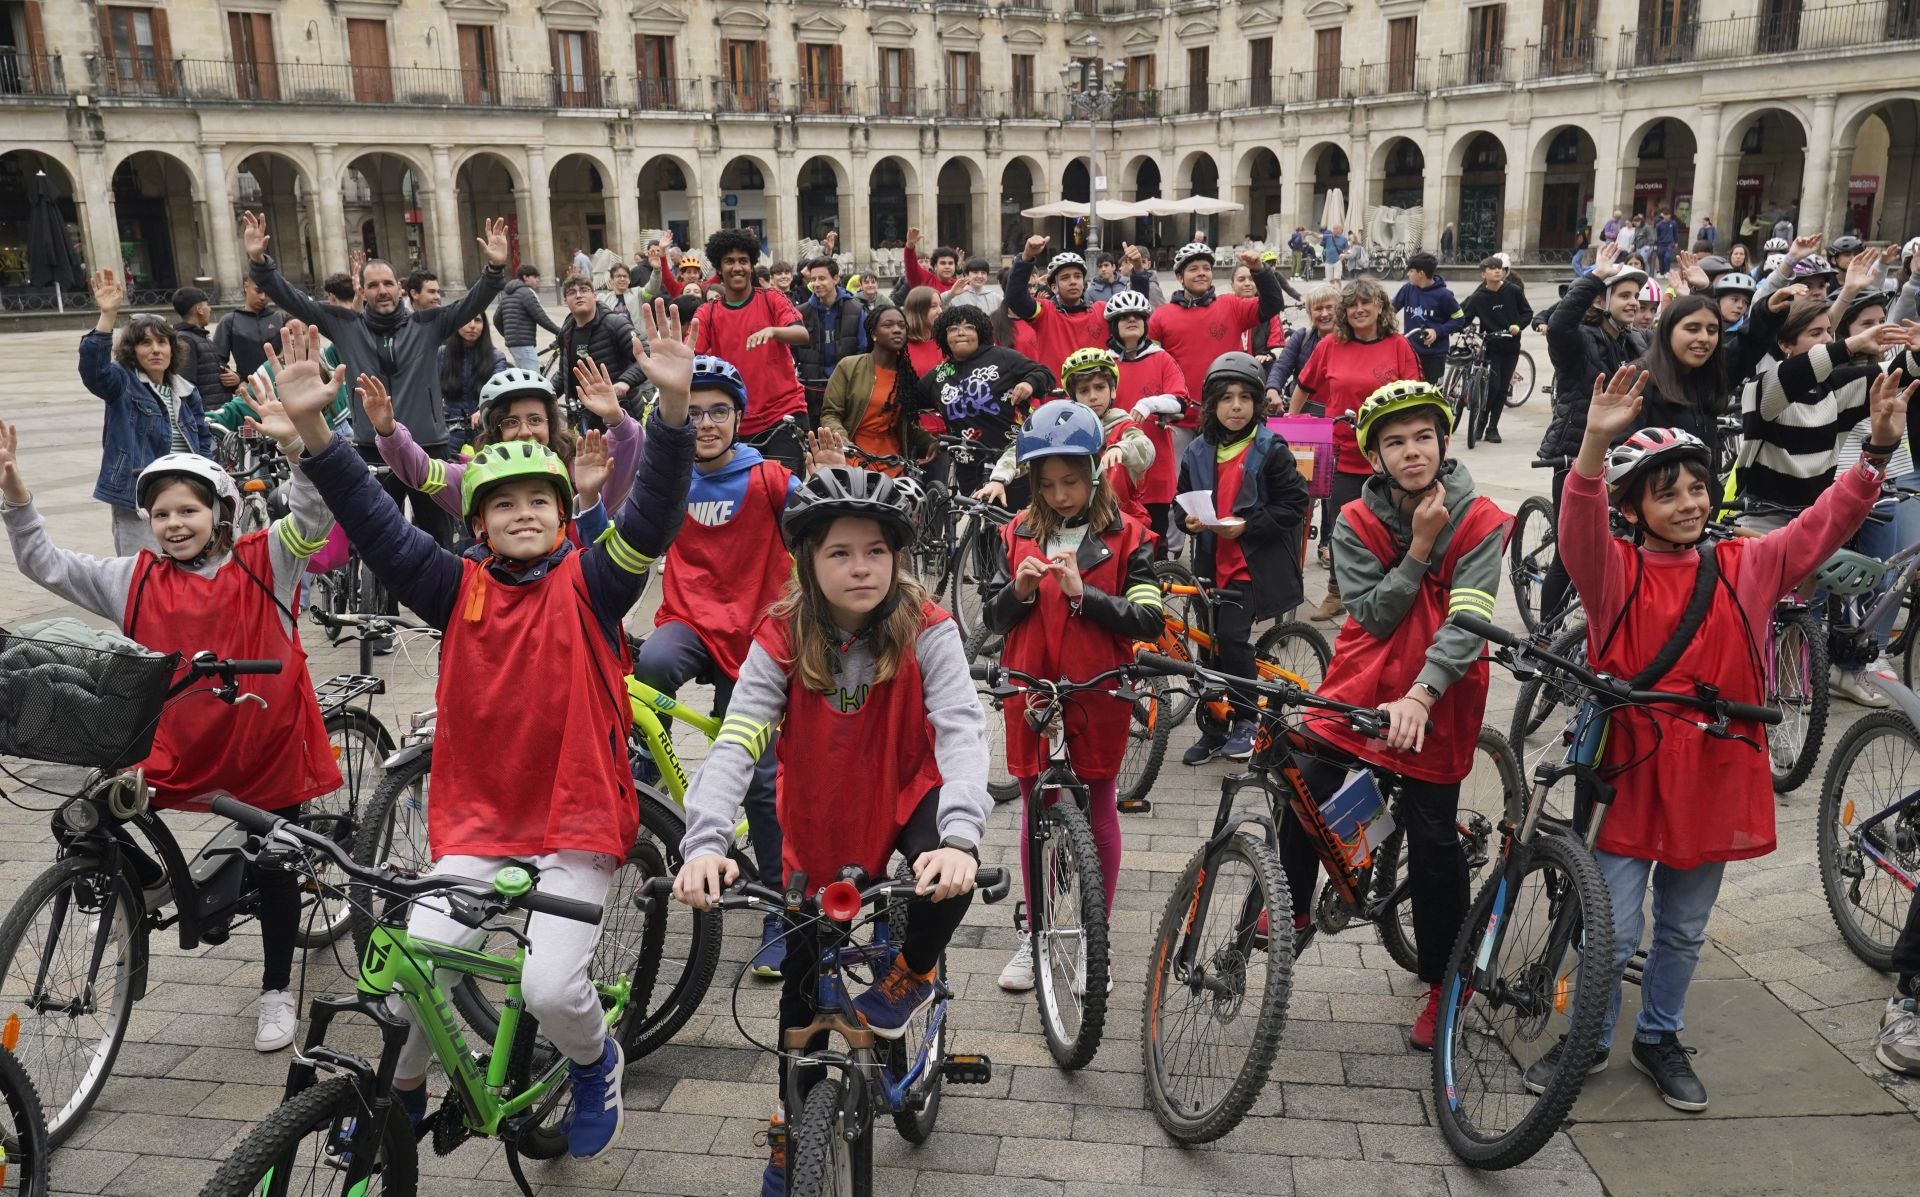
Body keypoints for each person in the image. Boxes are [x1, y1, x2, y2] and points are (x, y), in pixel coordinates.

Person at [274, 300, 696, 1160]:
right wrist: (318, 431)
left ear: (563, 513)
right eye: (504, 504)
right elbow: (376, 522)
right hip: (480, 823)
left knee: (550, 988)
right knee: (406, 974)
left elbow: (651, 515)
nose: (525, 513)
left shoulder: (592, 583)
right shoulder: (452, 587)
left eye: (541, 500)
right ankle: (401, 1095)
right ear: (477, 524)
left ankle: (595, 1061)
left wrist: (674, 412)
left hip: (576, 821)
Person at [1535, 365, 1911, 1112]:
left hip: (1715, 767)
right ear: (1632, 508)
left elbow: (1821, 526)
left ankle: (1659, 1036)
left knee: (1683, 926)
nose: (1688, 503)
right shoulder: (1614, 572)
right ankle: (1587, 1035)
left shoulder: (1748, 563)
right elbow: (1578, 529)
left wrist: (1874, 452)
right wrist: (1592, 448)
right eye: (1665, 492)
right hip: (1629, 771)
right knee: (1609, 928)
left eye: (1696, 488)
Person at [2, 349, 342, 1050]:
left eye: (188, 509)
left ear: (220, 512)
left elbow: (312, 514)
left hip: (265, 740)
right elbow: (46, 564)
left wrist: (298, 444)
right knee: (81, 817)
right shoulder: (133, 577)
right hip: (178, 744)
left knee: (276, 863)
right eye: (160, 513)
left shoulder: (267, 557)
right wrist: (16, 494)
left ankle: (276, 989)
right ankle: (153, 882)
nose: (173, 523)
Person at [673, 467, 990, 1197]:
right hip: (822, 809)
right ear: (808, 561)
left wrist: (960, 837)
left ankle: (914, 969)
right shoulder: (783, 633)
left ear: (897, 557)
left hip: (908, 790)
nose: (861, 567)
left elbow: (961, 728)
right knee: (801, 983)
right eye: (840, 552)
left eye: (875, 551)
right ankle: (796, 1122)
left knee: (947, 876)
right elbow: (738, 737)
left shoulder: (929, 627)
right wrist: (705, 842)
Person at [1288, 380, 1510, 1048]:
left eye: (1423, 437)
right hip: (1362, 678)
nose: (1412, 451)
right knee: (1303, 778)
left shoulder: (1480, 520)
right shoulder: (1355, 519)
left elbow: (1468, 620)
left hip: (1440, 691)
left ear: (1443, 442)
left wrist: (1422, 693)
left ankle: (1446, 980)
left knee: (1434, 838)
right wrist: (1418, 548)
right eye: (1394, 442)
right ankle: (1292, 907)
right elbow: (1375, 613)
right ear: (1376, 457)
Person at [983, 399, 1161, 993]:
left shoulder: (1130, 535)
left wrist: (1086, 596)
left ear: (1094, 473)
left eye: (1072, 481)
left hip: (1097, 689)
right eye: (1047, 484)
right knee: (1035, 806)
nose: (1060, 495)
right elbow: (992, 618)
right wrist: (1017, 592)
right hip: (1032, 690)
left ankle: (1092, 936)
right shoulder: (1016, 531)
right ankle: (1036, 933)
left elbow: (1149, 618)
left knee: (1100, 801)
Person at [635, 354, 795, 978]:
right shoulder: (667, 479)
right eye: (694, 410)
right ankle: (647, 762)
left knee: (760, 777)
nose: (704, 422)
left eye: (718, 411)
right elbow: (617, 533)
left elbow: (824, 533)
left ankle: (779, 905)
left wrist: (830, 483)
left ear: (738, 417)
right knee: (651, 661)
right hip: (691, 623)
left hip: (757, 638)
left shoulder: (770, 480)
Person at [243, 211, 507, 545]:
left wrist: (494, 268)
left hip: (428, 446)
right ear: (362, 291)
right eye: (373, 285)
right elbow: (295, 300)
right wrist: (260, 263)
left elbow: (472, 303)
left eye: (387, 284)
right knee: (377, 540)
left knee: (439, 539)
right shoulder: (346, 325)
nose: (381, 291)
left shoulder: (428, 324)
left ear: (400, 288)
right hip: (372, 449)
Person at [1177, 352, 1311, 763]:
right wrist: (1188, 523)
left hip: (1251, 567)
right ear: (1212, 404)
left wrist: (1248, 526)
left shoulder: (1271, 449)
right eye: (1226, 398)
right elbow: (1180, 503)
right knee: (1208, 648)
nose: (1235, 407)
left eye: (1245, 398)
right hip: (1209, 566)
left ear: (1257, 403)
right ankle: (1214, 726)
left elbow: (1294, 504)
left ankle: (1247, 721)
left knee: (1232, 640)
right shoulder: (1197, 450)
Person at [369, 360, 639, 532]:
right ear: (494, 430)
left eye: (535, 419)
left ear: (551, 424)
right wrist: (389, 431)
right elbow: (423, 471)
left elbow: (624, 461)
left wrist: (615, 417)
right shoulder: (475, 477)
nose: (525, 431)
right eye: (511, 422)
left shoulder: (578, 470)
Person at [1292, 278, 1423, 621]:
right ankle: (1337, 591)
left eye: (1366, 303)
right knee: (1341, 525)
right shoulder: (1330, 345)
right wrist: (1290, 425)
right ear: (1344, 312)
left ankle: (1392, 590)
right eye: (1352, 305)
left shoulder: (1398, 346)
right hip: (1343, 454)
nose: (1359, 310)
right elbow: (1304, 386)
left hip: (1390, 455)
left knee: (1394, 527)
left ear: (1381, 307)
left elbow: (1415, 395)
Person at [1535, 242, 1650, 621]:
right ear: (1602, 300)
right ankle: (1545, 638)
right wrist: (1595, 276)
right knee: (1569, 556)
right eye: (1625, 295)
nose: (1633, 302)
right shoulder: (1579, 339)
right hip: (1574, 452)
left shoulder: (1634, 340)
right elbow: (1559, 325)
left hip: (1625, 456)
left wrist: (1691, 295)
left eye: (1636, 296)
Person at [1148, 242, 1288, 543]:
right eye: (1193, 269)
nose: (1201, 273)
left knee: (1225, 483)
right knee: (1180, 488)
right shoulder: (1161, 316)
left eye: (1206, 268)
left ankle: (1227, 537)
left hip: (1225, 416)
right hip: (1181, 418)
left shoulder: (1231, 305)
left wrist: (1259, 271)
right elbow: (1152, 362)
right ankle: (1173, 548)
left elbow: (1272, 304)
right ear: (1179, 276)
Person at [80, 269, 214, 554]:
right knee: (142, 567)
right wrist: (107, 315)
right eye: (145, 343)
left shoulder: (185, 390)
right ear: (133, 350)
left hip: (184, 491)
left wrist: (206, 474)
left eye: (162, 342)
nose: (155, 350)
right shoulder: (123, 382)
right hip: (138, 493)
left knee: (185, 565)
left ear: (172, 349)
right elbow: (94, 371)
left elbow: (203, 438)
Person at [693, 229, 812, 470]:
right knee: (745, 489)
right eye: (729, 261)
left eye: (743, 261)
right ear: (719, 268)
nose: (737, 267)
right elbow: (690, 356)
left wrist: (774, 331)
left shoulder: (771, 298)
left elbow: (802, 334)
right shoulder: (708, 312)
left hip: (783, 414)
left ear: (751, 266)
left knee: (786, 488)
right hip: (736, 421)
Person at [919, 305, 1054, 503]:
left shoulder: (1003, 357)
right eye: (953, 328)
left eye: (969, 327)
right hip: (968, 467)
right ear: (944, 336)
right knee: (977, 518)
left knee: (1015, 518)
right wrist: (925, 438)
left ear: (980, 332)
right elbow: (907, 404)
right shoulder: (938, 375)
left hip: (1012, 459)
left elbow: (1045, 373)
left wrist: (1029, 383)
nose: (961, 332)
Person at [1104, 289, 1189, 550]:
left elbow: (1180, 401)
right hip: (1115, 464)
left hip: (1155, 464)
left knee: (1155, 538)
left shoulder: (1161, 357)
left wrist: (1150, 403)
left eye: (1138, 316)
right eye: (1124, 317)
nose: (1132, 320)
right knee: (1114, 538)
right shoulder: (1105, 362)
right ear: (1114, 325)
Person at [821, 306, 931, 473]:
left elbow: (905, 425)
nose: (897, 330)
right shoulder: (849, 366)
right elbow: (830, 414)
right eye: (888, 325)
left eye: (902, 326)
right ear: (873, 334)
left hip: (892, 462)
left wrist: (931, 441)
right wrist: (841, 438)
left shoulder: (906, 376)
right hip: (852, 457)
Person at [1006, 236, 1132, 374]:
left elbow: (1135, 314)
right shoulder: (1045, 312)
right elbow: (1016, 299)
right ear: (1054, 287)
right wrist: (1026, 257)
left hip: (1098, 386)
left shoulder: (1101, 310)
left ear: (1083, 283)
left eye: (1077, 276)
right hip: (1055, 388)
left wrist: (1138, 270)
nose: (1073, 281)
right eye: (1065, 278)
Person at [1458, 256, 1533, 444]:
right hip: (1491, 347)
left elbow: (1527, 313)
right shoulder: (1478, 297)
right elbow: (1465, 318)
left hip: (1511, 346)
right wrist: (1455, 327)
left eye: (1499, 268)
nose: (1497, 271)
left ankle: (1493, 428)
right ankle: (1481, 423)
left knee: (1502, 389)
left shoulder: (1513, 291)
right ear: (1483, 274)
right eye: (1492, 268)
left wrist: (1518, 325)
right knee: (1493, 387)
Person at [555, 274, 646, 427]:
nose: (578, 295)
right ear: (565, 302)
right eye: (572, 292)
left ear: (595, 296)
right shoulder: (566, 332)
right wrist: (544, 393)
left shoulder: (615, 323)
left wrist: (625, 382)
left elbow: (645, 356)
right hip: (585, 416)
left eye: (584, 290)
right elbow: (564, 373)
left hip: (622, 413)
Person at [795, 256, 869, 425]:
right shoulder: (800, 313)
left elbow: (864, 351)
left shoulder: (856, 310)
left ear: (835, 279)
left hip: (847, 392)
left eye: (822, 278)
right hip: (811, 393)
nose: (816, 284)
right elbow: (792, 354)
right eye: (813, 279)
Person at [436, 315, 510, 454]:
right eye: (466, 320)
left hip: (483, 431)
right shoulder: (442, 354)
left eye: (477, 320)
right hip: (450, 429)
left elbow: (498, 391)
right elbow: (432, 391)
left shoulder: (496, 357)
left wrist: (483, 410)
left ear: (484, 325)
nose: (472, 325)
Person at [1394, 253, 1468, 385]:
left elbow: (1459, 319)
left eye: (1411, 271)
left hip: (1435, 355)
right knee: (1409, 391)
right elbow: (1390, 310)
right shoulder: (1407, 289)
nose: (1407, 274)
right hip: (1410, 352)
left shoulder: (1444, 295)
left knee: (1432, 392)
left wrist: (1437, 331)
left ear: (1421, 274)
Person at [1270, 282, 1339, 414]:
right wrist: (1273, 389)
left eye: (1330, 307)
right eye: (1318, 309)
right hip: (1301, 409)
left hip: (1337, 412)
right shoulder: (1302, 337)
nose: (1324, 314)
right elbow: (1282, 366)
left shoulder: (1350, 341)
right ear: (1309, 313)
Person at [212, 277, 288, 383]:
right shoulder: (229, 321)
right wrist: (238, 380)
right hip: (247, 387)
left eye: (268, 293)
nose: (263, 297)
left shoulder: (281, 318)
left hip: (282, 385)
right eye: (258, 291)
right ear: (246, 286)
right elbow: (216, 360)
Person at [172, 286, 232, 407]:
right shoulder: (186, 340)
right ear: (199, 309)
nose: (210, 309)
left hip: (219, 411)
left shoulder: (201, 337)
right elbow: (186, 386)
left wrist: (235, 379)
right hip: (206, 413)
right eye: (207, 305)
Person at [496, 264, 562, 372]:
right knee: (532, 378)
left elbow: (496, 319)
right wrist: (560, 331)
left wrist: (508, 335)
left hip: (513, 343)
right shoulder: (527, 293)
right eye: (535, 277)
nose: (538, 280)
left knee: (524, 376)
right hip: (524, 344)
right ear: (525, 277)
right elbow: (540, 317)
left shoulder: (507, 294)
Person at [895, 227, 961, 305]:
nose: (947, 266)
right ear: (935, 266)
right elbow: (911, 266)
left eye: (950, 263)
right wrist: (910, 245)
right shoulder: (925, 279)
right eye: (943, 263)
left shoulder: (959, 284)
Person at [901, 285, 948, 380]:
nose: (940, 311)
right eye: (934, 306)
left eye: (940, 305)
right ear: (917, 311)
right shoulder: (900, 347)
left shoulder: (945, 340)